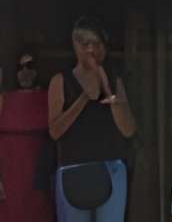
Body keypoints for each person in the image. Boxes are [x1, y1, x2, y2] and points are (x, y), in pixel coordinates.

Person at [48, 18, 135, 222]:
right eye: (84, 43)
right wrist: (85, 96)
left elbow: (129, 130)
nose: (90, 49)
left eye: (96, 43)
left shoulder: (114, 79)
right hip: (73, 167)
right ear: (74, 45)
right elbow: (54, 131)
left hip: (111, 166)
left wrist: (111, 97)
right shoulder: (60, 80)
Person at [0, 44, 50, 222]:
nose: (25, 72)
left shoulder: (46, 96)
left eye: (30, 66)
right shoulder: (0, 98)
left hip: (38, 169)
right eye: (20, 67)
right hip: (9, 170)